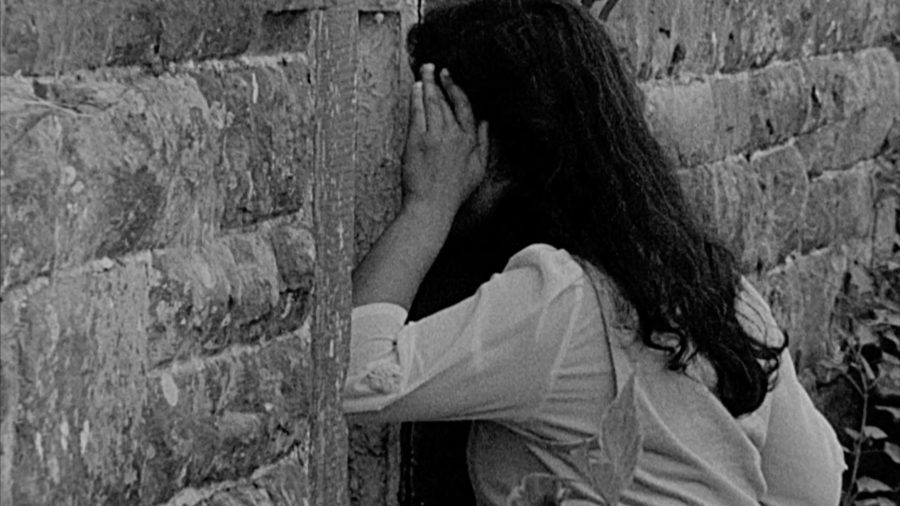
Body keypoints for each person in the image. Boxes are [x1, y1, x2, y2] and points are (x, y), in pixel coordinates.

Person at [343, 0, 845, 504]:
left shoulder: (561, 301)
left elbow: (350, 375)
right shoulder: (717, 290)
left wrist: (427, 207)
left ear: (490, 146)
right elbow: (816, 486)